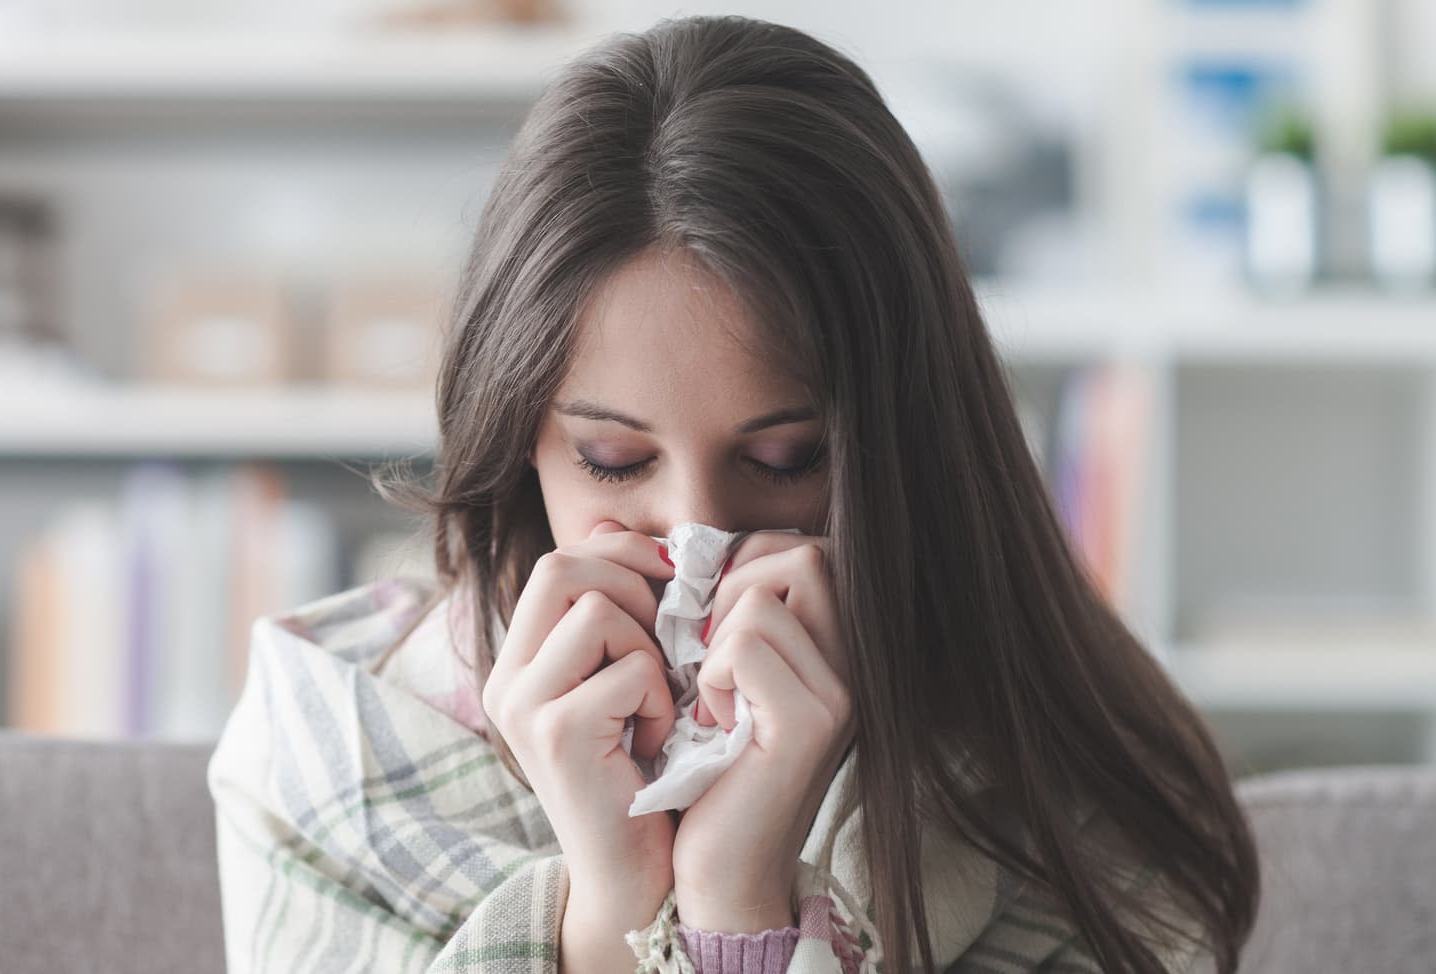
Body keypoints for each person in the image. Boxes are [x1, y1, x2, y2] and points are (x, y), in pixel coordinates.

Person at [207, 14, 1259, 974]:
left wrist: (737, 902)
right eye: (613, 459)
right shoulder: (329, 738)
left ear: (904, 445)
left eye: (787, 456)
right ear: (514, 434)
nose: (694, 536)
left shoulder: (1058, 778)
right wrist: (610, 901)